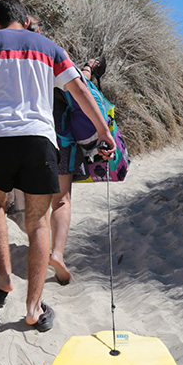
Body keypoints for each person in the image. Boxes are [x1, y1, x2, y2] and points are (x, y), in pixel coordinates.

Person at [0, 0, 115, 331]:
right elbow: (79, 89)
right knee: (38, 220)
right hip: (39, 140)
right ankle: (34, 309)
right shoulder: (49, 47)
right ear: (25, 19)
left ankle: (4, 278)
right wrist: (103, 130)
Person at [49, 57, 106, 285]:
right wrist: (89, 68)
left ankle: (39, 246)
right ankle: (57, 254)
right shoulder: (57, 64)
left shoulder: (20, 65)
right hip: (62, 143)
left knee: (36, 201)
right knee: (61, 201)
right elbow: (81, 88)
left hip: (28, 138)